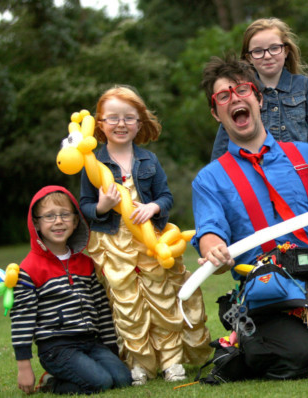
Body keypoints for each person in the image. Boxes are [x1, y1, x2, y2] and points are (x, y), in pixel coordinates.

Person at [192, 54, 308, 379]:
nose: (235, 98)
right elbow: (210, 232)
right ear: (215, 112)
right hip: (268, 292)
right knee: (298, 359)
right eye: (224, 95)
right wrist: (213, 250)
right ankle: (242, 341)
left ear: (258, 97)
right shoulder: (209, 179)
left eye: (242, 90)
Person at [79, 86, 210, 385]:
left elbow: (166, 197)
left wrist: (152, 207)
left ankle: (171, 360)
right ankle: (140, 363)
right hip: (114, 244)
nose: (121, 124)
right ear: (100, 124)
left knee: (163, 300)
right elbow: (85, 207)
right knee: (127, 306)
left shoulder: (148, 159)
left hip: (150, 241)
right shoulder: (92, 163)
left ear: (139, 122)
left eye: (129, 117)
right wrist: (103, 206)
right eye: (112, 118)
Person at [10, 186, 132, 394]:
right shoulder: (30, 269)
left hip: (90, 343)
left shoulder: (86, 263)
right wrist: (24, 366)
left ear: (76, 221)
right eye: (49, 216)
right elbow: (22, 319)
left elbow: (102, 309)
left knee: (122, 379)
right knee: (101, 382)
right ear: (36, 223)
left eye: (65, 215)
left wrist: (111, 351)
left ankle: (92, 369)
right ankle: (51, 382)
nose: (58, 221)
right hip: (57, 348)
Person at [209, 17, 308, 161]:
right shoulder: (242, 94)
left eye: (274, 48)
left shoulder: (302, 85)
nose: (267, 56)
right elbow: (225, 138)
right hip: (260, 173)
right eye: (258, 51)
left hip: (302, 169)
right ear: (249, 58)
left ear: (285, 51)